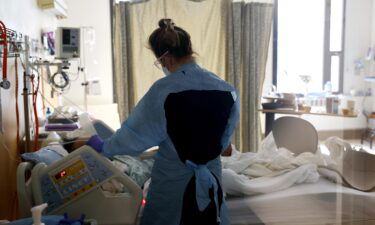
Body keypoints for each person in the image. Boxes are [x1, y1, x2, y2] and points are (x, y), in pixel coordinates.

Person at [87, 18, 239, 225]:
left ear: (166, 59)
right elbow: (224, 142)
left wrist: (102, 146)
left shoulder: (164, 91)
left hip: (174, 183)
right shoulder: (227, 90)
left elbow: (135, 136)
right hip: (211, 178)